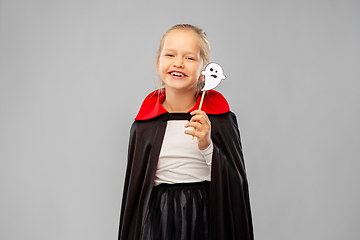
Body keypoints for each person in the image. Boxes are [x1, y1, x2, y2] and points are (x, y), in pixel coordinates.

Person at [118, 24, 254, 240]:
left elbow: (235, 186)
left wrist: (207, 146)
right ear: (157, 64)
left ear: (203, 71)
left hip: (205, 216)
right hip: (158, 218)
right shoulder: (143, 126)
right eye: (170, 54)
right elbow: (136, 194)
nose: (178, 63)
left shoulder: (220, 121)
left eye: (189, 58)